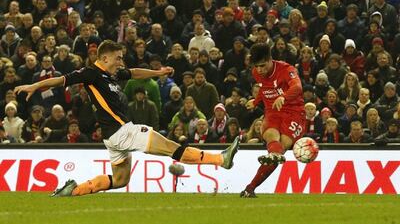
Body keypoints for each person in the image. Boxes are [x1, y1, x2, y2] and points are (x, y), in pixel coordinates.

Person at [15, 40, 239, 197]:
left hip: (114, 136)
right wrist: (35, 85)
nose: (121, 62)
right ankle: (221, 159)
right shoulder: (91, 72)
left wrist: (158, 73)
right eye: (117, 58)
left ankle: (73, 190)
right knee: (171, 147)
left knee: (121, 180)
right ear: (104, 57)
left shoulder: (111, 74)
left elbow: (133, 72)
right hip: (123, 131)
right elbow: (61, 79)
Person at [241, 43, 305, 198]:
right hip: (272, 111)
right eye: (257, 66)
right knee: (270, 136)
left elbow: (297, 87)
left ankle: (251, 186)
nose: (260, 70)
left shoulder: (286, 69)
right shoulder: (257, 72)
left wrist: (283, 96)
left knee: (282, 145)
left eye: (263, 65)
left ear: (270, 60)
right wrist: (255, 101)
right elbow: (264, 89)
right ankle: (273, 157)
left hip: (293, 112)